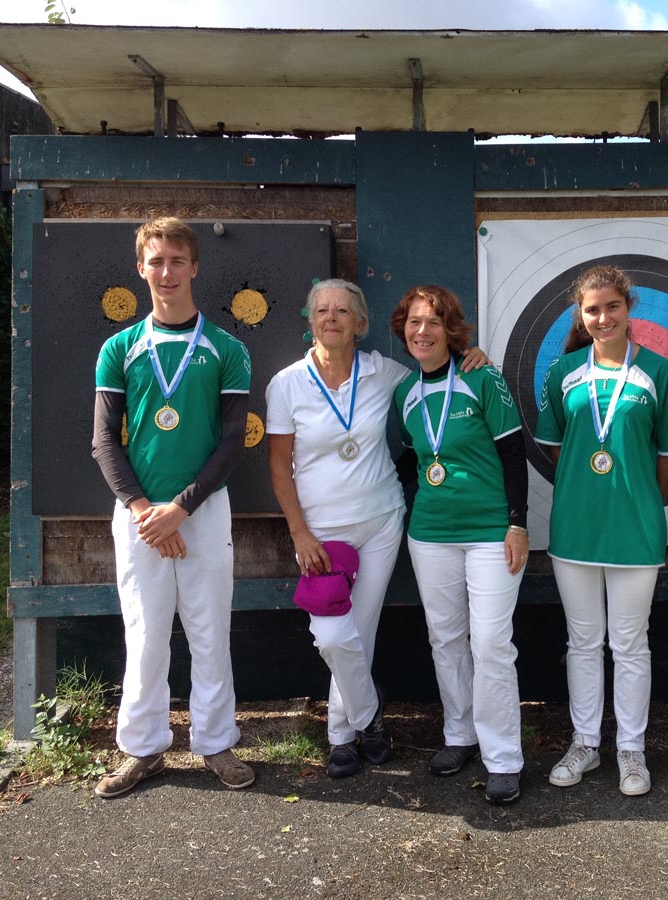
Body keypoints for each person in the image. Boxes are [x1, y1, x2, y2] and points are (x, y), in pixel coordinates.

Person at [265, 279, 487, 779]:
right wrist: (299, 533)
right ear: (310, 321)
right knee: (332, 636)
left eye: (342, 311)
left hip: (382, 521)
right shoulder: (287, 384)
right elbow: (279, 467)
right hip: (321, 534)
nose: (331, 318)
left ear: (360, 324)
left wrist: (471, 358)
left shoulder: (384, 372)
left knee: (360, 631)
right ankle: (367, 717)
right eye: (322, 310)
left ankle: (341, 739)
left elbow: (436, 370)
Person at [91, 216, 255, 798]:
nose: (167, 272)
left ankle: (216, 743)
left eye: (177, 261)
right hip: (138, 514)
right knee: (145, 634)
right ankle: (142, 748)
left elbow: (232, 443)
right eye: (156, 261)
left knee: (210, 633)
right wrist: (145, 510)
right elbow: (104, 441)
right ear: (141, 268)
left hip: (202, 511)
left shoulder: (227, 349)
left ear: (195, 267)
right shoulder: (119, 348)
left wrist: (180, 510)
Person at [534, 265, 668, 797]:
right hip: (575, 528)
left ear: (628, 307)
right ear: (581, 314)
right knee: (583, 641)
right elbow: (556, 447)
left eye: (612, 306)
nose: (603, 318)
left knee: (631, 644)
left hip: (635, 529)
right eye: (592, 309)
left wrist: (637, 496)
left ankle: (631, 750)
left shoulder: (659, 371)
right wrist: (586, 485)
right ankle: (586, 743)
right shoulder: (564, 372)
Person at [391, 285, 529, 805]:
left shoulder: (481, 377)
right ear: (403, 330)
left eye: (433, 322)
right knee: (446, 639)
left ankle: (504, 758)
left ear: (450, 329)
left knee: (491, 643)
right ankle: (460, 735)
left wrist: (517, 524)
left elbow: (513, 454)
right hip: (430, 534)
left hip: (491, 532)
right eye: (414, 322)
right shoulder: (406, 392)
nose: (422, 331)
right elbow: (414, 459)